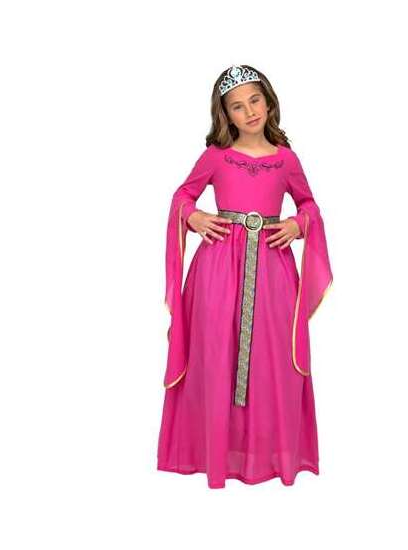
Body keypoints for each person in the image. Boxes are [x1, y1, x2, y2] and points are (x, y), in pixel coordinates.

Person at [157, 64, 333, 489]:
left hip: (272, 268)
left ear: (269, 102)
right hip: (218, 268)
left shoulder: (286, 159)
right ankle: (213, 453)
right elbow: (183, 195)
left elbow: (309, 205)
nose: (249, 111)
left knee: (273, 360)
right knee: (216, 353)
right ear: (225, 114)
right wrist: (194, 215)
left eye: (255, 100)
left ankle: (267, 453)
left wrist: (298, 224)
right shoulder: (216, 157)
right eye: (237, 106)